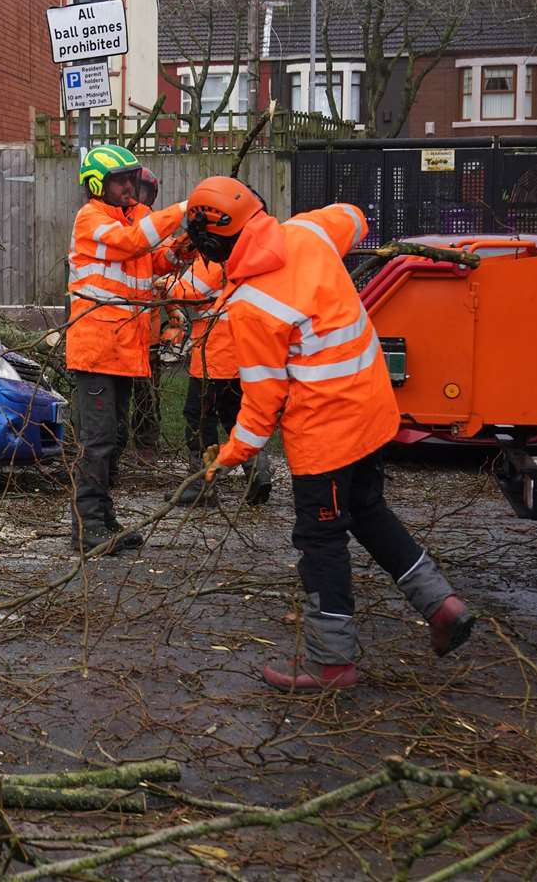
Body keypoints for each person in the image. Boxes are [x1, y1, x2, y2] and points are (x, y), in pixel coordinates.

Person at [186, 175, 474, 690]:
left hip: (325, 436)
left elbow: (262, 402)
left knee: (320, 539)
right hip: (372, 412)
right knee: (368, 511)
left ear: (212, 248)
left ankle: (332, 662)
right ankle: (442, 605)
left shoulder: (250, 307)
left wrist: (230, 454)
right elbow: (354, 214)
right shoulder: (310, 233)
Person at [65, 145, 192, 555]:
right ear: (98, 184)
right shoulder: (92, 220)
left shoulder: (133, 215)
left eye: (131, 178)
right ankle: (87, 526)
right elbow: (131, 244)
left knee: (116, 437)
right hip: (97, 349)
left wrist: (189, 243)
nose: (129, 186)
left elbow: (158, 260)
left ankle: (103, 518)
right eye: (121, 180)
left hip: (125, 348)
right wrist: (186, 209)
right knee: (97, 441)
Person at [168, 256, 273, 506]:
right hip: (242, 354)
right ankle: (257, 471)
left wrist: (168, 282)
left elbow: (185, 291)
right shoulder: (255, 257)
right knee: (235, 416)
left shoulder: (213, 260)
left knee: (199, 419)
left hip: (215, 355)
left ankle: (203, 483)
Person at [130, 167, 164, 459]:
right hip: (130, 329)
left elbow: (167, 279)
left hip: (147, 330)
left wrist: (173, 316)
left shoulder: (152, 223)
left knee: (146, 394)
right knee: (138, 391)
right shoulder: (119, 221)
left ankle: (146, 443)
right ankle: (142, 443)